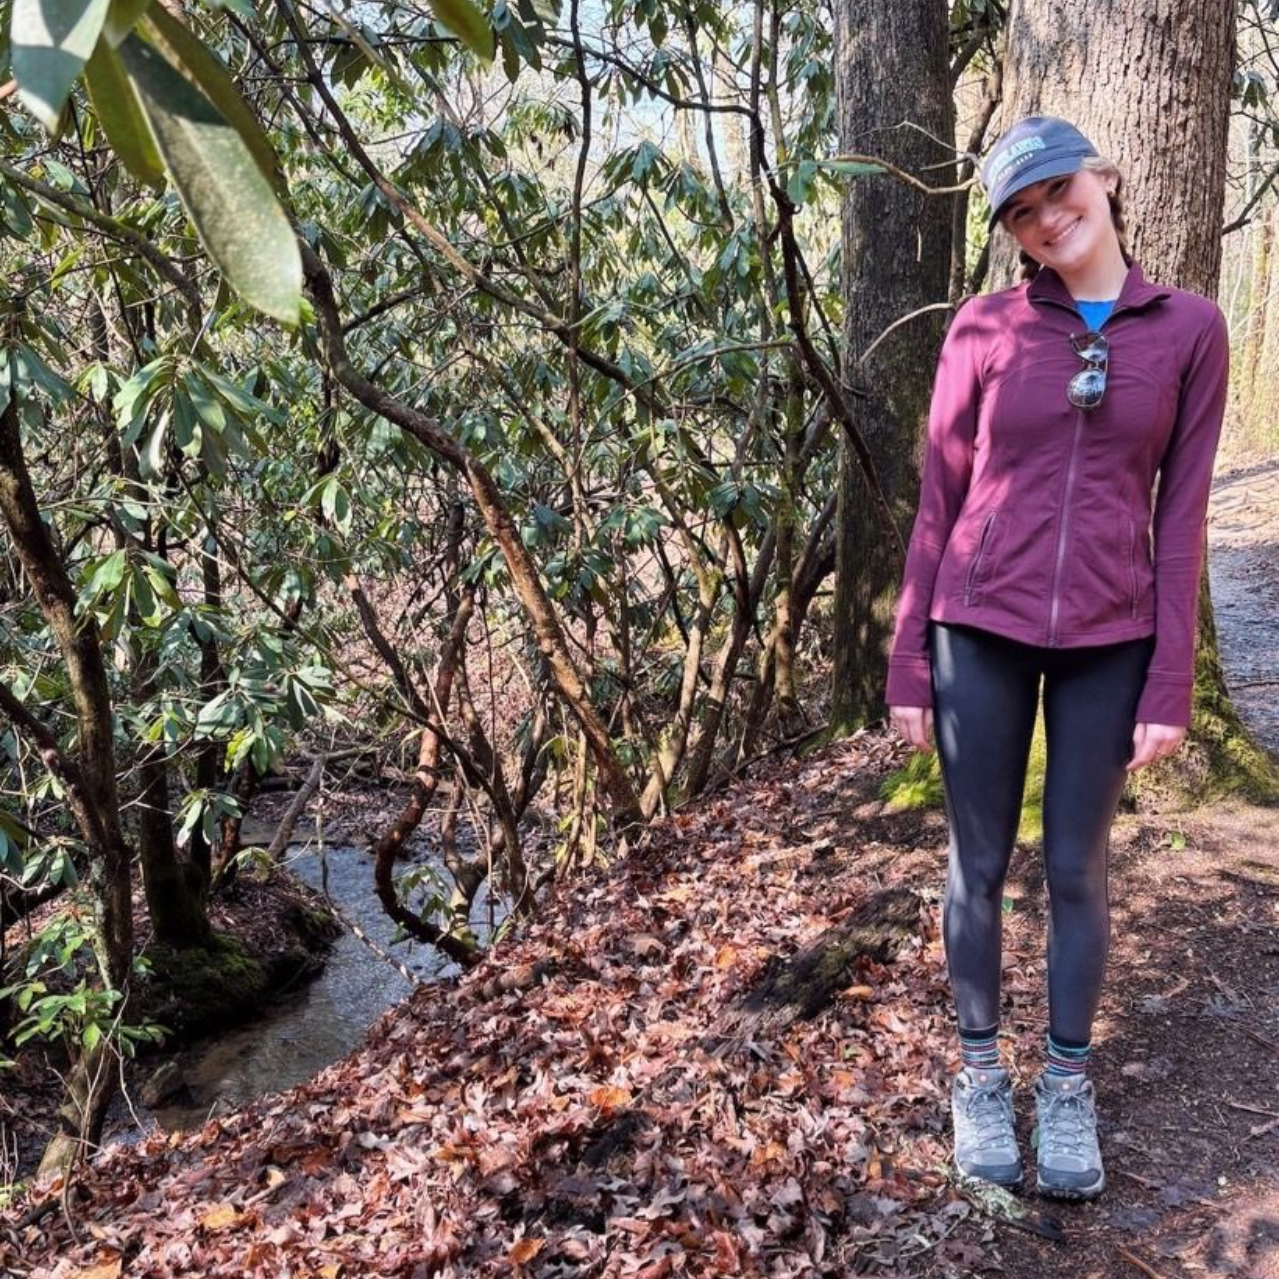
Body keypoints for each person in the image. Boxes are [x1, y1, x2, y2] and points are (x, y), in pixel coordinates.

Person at [884, 116, 1228, 1199]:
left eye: (1056, 190)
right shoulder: (982, 329)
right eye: (1019, 211)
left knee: (1076, 868)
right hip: (974, 627)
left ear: (1106, 178)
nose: (1044, 218)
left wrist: (1169, 679)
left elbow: (1180, 520)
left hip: (1109, 638)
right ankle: (980, 1075)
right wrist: (906, 661)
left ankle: (1065, 1083)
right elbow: (938, 498)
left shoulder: (1190, 330)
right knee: (975, 865)